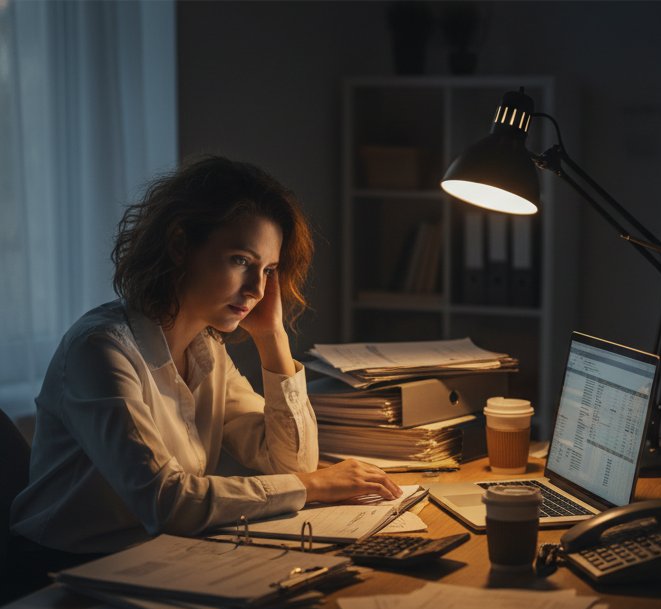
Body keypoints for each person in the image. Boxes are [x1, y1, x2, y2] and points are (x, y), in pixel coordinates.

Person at [9, 155, 399, 569]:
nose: (256, 289)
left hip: (161, 558)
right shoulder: (101, 350)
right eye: (241, 261)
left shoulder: (206, 350)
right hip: (63, 573)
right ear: (179, 245)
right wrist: (312, 485)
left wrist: (273, 338)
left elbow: (290, 462)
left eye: (269, 270)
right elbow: (167, 502)